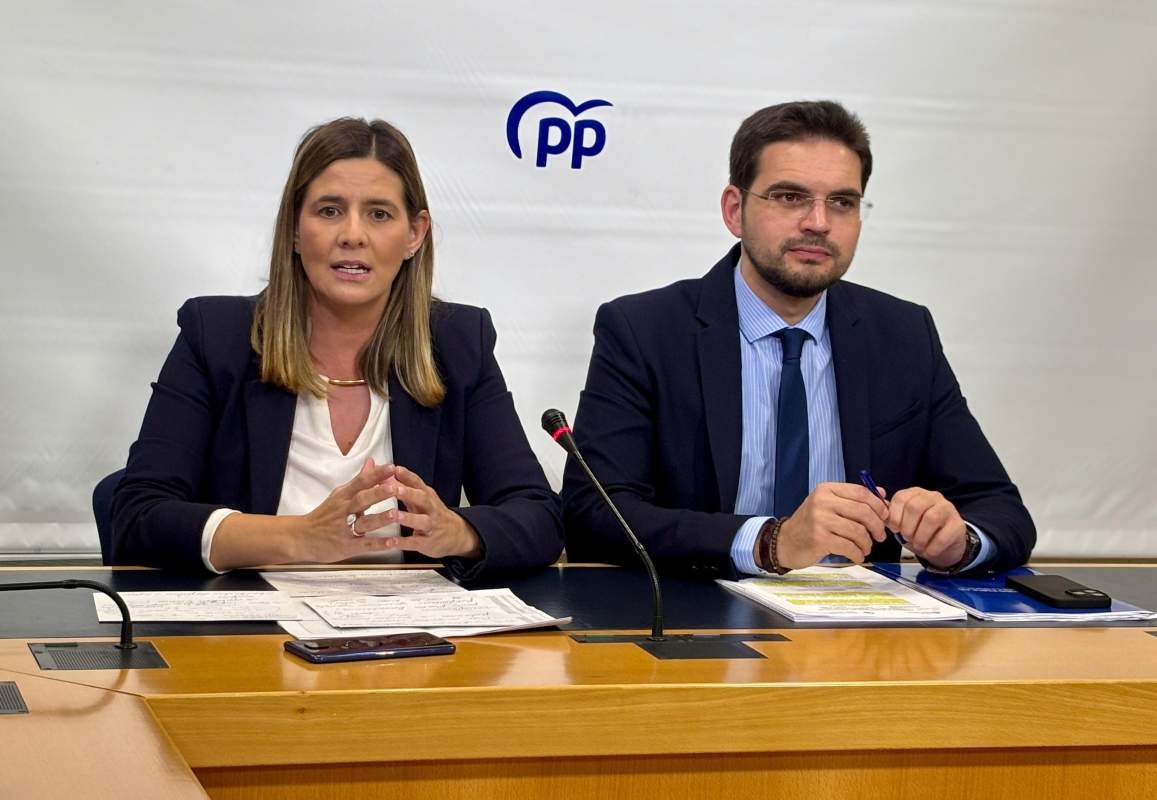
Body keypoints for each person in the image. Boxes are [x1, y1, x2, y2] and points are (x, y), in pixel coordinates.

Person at [561, 100, 1034, 579]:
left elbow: (1002, 511)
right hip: (696, 621)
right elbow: (593, 514)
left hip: (860, 632)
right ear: (734, 210)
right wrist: (770, 542)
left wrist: (959, 540)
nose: (818, 222)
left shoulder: (903, 334)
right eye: (790, 197)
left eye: (842, 202)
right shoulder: (645, 330)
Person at [111, 117, 563, 579]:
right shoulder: (218, 337)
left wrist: (456, 531)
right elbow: (139, 516)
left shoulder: (458, 342)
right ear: (293, 227)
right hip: (249, 633)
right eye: (329, 210)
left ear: (415, 234)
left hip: (412, 635)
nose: (352, 234)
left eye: (379, 214)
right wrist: (301, 536)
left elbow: (538, 517)